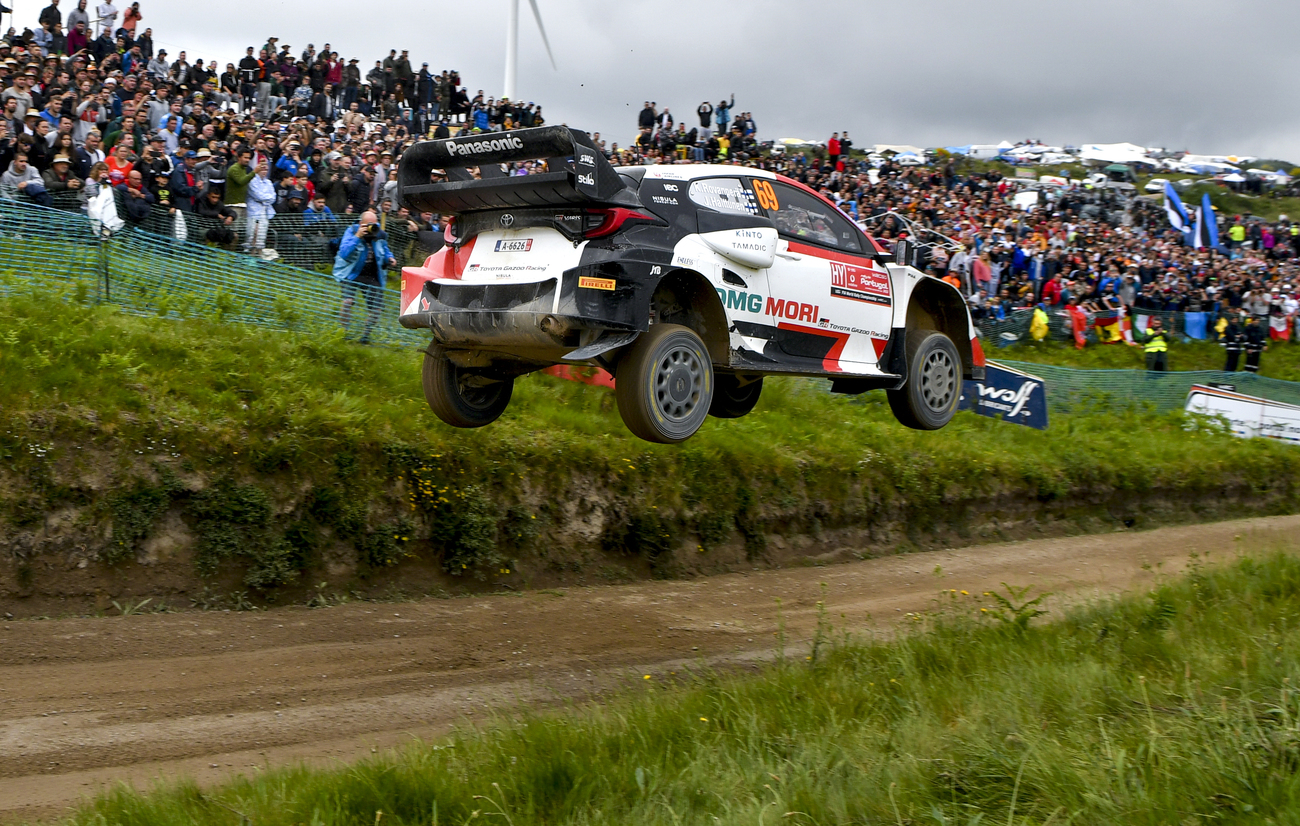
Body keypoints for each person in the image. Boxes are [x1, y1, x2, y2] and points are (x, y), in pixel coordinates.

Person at [333, 209, 395, 344]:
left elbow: (385, 250)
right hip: (351, 273)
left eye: (374, 224)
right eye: (369, 224)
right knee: (347, 302)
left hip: (372, 275)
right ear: (362, 223)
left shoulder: (380, 235)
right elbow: (343, 253)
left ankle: (364, 338)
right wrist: (357, 236)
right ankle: (344, 333)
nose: (372, 227)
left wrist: (390, 258)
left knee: (376, 311)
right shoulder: (351, 231)